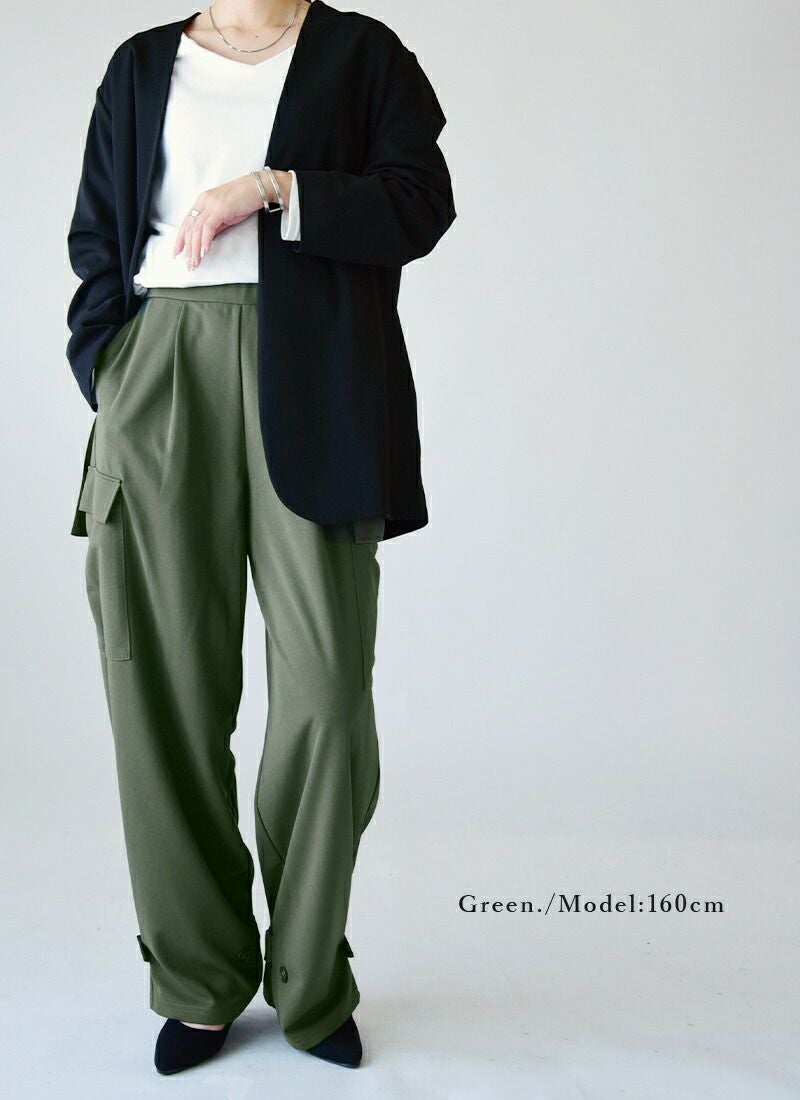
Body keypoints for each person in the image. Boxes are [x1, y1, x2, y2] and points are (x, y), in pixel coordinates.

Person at [66, 0, 456, 1075]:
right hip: (162, 371)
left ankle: (307, 976)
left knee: (327, 695)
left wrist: (275, 188)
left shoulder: (363, 55)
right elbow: (97, 235)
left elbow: (419, 204)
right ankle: (198, 978)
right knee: (162, 692)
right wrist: (113, 364)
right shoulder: (140, 66)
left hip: (319, 380)